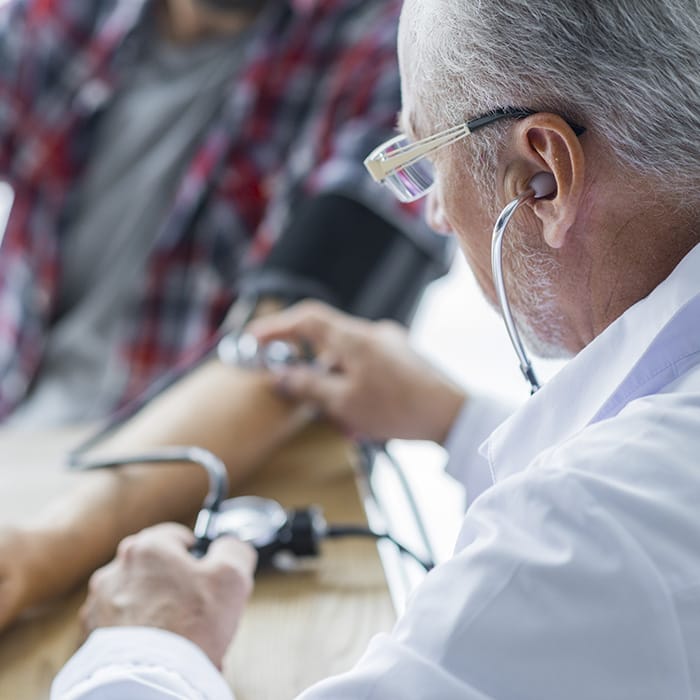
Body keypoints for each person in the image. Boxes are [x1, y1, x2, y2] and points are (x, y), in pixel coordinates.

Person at [53, 0, 700, 697]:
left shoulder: (589, 524)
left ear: (541, 179)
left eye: (425, 161)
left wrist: (145, 639)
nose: (436, 215)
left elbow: (596, 533)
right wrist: (457, 421)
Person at [0, 0, 449, 631]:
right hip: (20, 447)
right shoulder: (55, 18)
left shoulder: (404, 51)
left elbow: (294, 353)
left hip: (237, 501)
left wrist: (40, 552)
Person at [0, 0, 444, 427]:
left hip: (223, 459)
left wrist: (99, 486)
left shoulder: (396, 45)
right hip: (20, 418)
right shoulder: (57, 17)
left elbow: (301, 350)